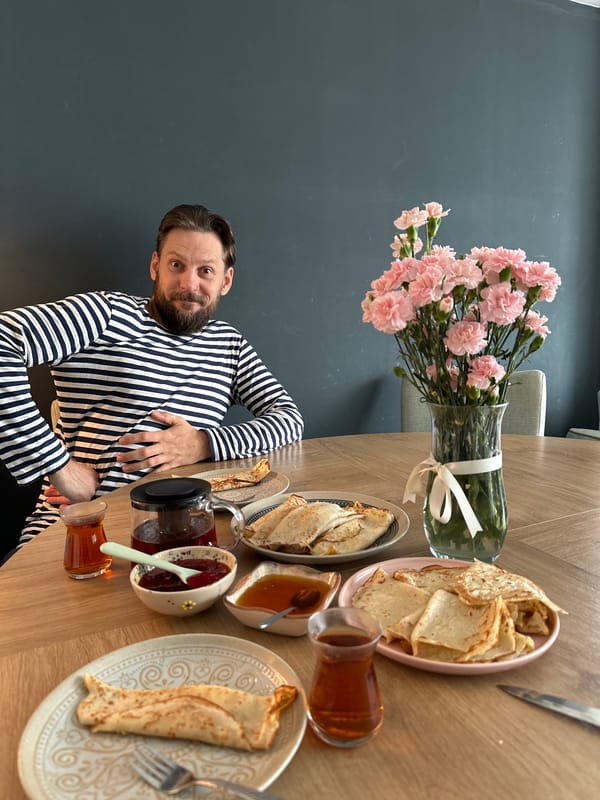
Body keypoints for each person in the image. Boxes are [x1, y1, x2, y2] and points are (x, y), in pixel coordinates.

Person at [0, 203, 304, 550]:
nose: (189, 283)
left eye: (206, 270)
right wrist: (60, 467)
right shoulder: (106, 314)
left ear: (226, 281)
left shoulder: (229, 345)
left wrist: (202, 443)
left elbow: (288, 420)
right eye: (177, 265)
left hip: (185, 534)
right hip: (82, 530)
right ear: (155, 266)